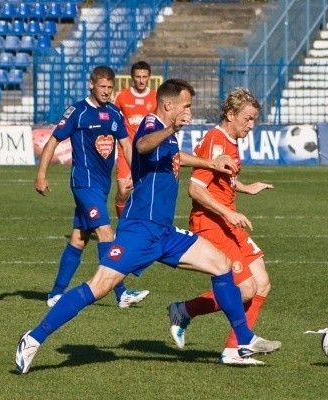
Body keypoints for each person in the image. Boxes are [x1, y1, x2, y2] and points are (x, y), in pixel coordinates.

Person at [16, 79, 281, 374]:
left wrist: (209, 163)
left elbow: (175, 157)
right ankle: (33, 338)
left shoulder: (166, 134)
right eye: (187, 106)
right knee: (99, 287)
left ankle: (242, 340)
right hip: (140, 230)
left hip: (165, 232)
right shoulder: (151, 125)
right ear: (169, 105)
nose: (189, 112)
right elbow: (142, 145)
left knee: (222, 265)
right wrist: (172, 129)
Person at [168, 87, 276, 365]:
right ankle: (184, 311)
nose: (251, 126)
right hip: (211, 223)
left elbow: (222, 179)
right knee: (247, 289)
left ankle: (234, 349)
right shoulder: (216, 141)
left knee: (262, 283)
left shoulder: (230, 139)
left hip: (226, 219)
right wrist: (227, 213)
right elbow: (195, 189)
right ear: (231, 114)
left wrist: (245, 188)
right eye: (248, 119)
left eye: (254, 120)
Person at [35, 65, 149, 309]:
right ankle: (121, 292)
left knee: (79, 238)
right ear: (92, 85)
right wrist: (41, 175)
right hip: (84, 183)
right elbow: (54, 140)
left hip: (101, 185)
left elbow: (126, 145)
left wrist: (138, 174)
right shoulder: (78, 111)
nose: (107, 91)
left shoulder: (114, 113)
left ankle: (55, 293)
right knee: (107, 234)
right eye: (102, 86)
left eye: (110, 87)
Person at [112, 61, 157, 217]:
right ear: (132, 77)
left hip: (148, 153)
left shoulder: (156, 98)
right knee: (124, 191)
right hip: (126, 151)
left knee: (146, 194)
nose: (141, 80)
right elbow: (112, 119)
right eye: (138, 76)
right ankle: (122, 226)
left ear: (149, 77)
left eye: (144, 76)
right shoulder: (121, 97)